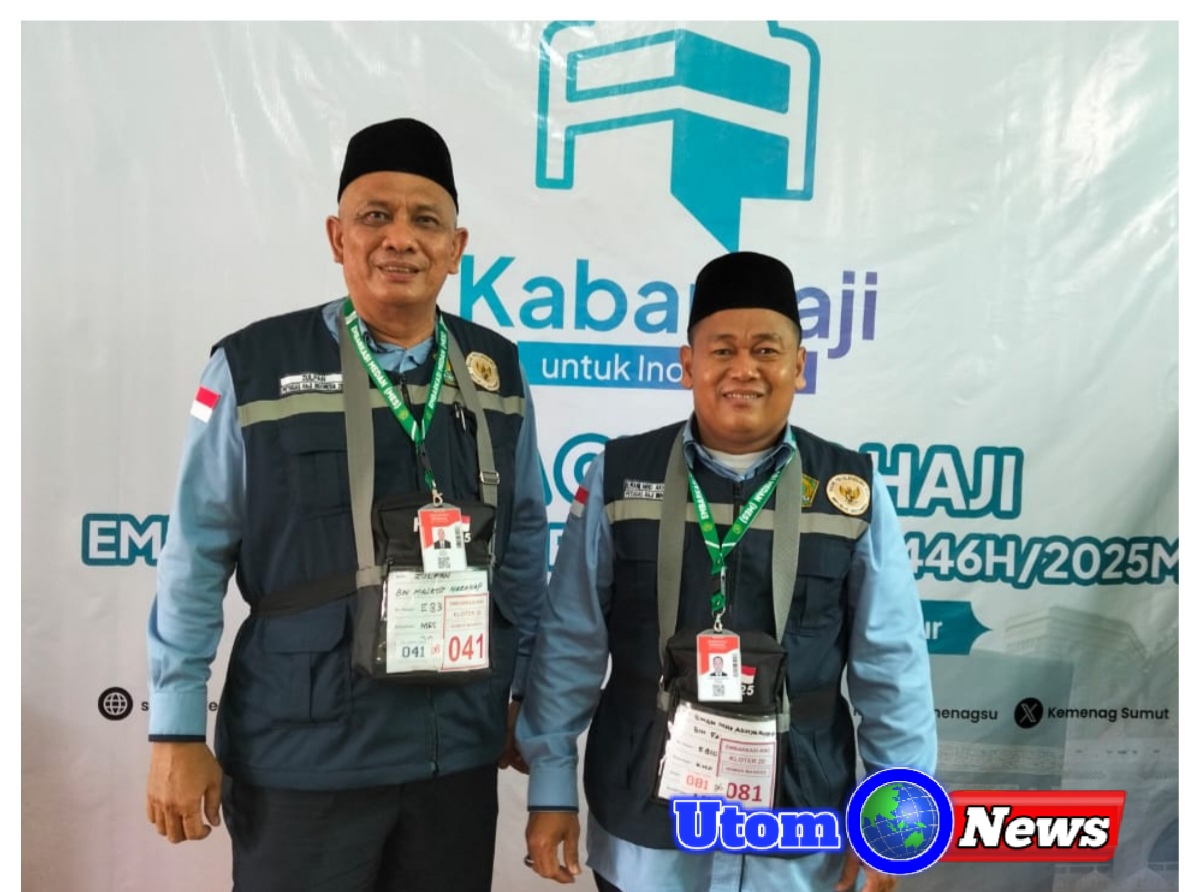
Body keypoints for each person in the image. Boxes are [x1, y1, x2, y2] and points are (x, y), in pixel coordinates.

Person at [144, 117, 548, 892]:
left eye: (425, 220)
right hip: (303, 755)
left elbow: (524, 544)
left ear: (456, 247)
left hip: (454, 752)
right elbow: (194, 554)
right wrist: (175, 727)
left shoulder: (496, 372)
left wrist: (523, 690)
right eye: (375, 216)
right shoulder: (253, 367)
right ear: (338, 237)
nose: (400, 238)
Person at [517, 251, 936, 892]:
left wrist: (894, 820)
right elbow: (569, 641)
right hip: (646, 830)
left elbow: (893, 668)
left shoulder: (851, 491)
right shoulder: (619, 476)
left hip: (797, 831)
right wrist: (550, 787)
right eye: (723, 350)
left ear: (799, 366)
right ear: (689, 365)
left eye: (766, 350)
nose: (745, 369)